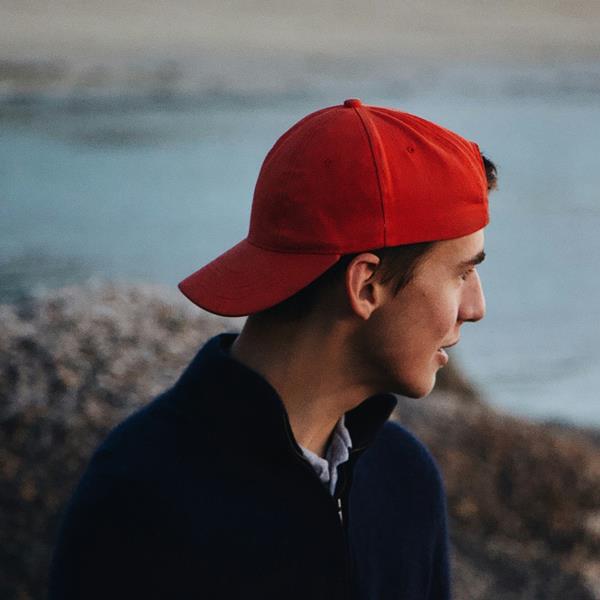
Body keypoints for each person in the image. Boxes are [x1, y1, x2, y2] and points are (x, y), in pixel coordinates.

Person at [48, 98, 497, 600]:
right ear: (366, 284)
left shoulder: (404, 481)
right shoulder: (142, 492)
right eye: (461, 273)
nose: (476, 307)